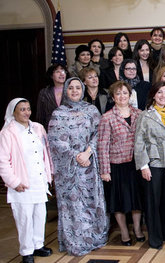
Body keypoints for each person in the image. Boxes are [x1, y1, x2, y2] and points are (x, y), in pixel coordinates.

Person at [48, 77, 109, 256]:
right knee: (73, 205)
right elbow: (55, 141)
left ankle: (94, 237)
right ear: (66, 91)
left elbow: (99, 133)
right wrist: (76, 156)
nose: (74, 91)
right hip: (69, 169)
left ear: (82, 90)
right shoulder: (58, 113)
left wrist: (87, 153)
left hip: (90, 164)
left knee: (91, 201)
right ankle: (76, 240)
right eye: (71, 88)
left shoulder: (91, 110)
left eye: (77, 88)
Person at [0, 98, 54, 263]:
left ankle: (38, 245)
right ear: (13, 112)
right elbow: (3, 161)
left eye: (28, 109)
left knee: (40, 215)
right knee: (24, 218)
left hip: (39, 180)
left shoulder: (38, 128)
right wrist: (14, 182)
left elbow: (46, 152)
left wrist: (49, 174)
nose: (26, 112)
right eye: (22, 109)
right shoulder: (7, 133)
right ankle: (26, 251)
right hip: (22, 183)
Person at [97, 81, 144, 247]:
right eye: (118, 93)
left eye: (125, 93)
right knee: (120, 201)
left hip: (136, 164)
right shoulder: (107, 117)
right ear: (113, 97)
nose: (122, 96)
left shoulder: (140, 114)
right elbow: (102, 145)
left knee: (136, 200)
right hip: (117, 165)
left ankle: (138, 229)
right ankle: (124, 232)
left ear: (130, 95)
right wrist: (105, 171)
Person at [134, 81, 165, 249]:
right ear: (153, 95)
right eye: (159, 93)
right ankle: (155, 238)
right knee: (153, 202)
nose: (163, 96)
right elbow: (139, 143)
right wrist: (144, 166)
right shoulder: (145, 116)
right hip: (153, 163)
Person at [36, 64, 68, 129]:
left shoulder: (72, 90)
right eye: (57, 72)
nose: (61, 74)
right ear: (51, 76)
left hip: (69, 129)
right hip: (50, 129)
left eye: (63, 71)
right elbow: (40, 115)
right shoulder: (44, 92)